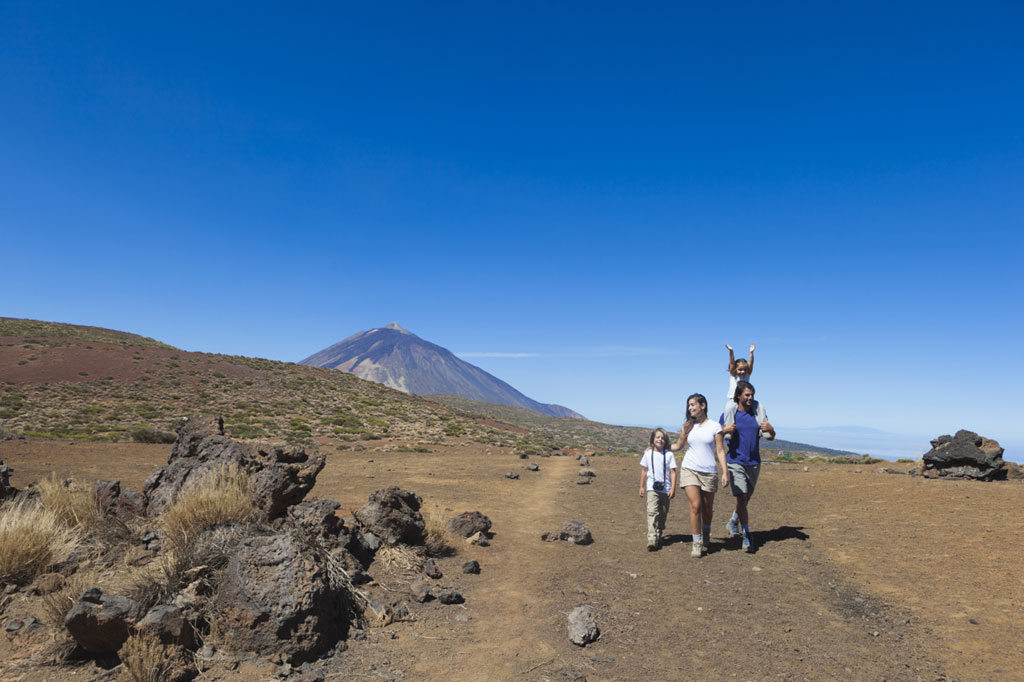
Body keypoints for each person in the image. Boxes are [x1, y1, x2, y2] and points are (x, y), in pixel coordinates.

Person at [671, 394, 729, 558]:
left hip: (709, 472)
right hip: (689, 469)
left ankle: (706, 532)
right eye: (688, 406)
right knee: (695, 505)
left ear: (703, 405)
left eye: (693, 405)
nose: (690, 408)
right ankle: (696, 543)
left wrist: (725, 472)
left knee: (707, 509)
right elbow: (679, 445)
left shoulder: (715, 426)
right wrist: (661, 446)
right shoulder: (687, 427)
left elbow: (719, 450)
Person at [720, 381, 774, 553]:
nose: (750, 398)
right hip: (735, 462)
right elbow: (717, 432)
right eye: (747, 395)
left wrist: (772, 430)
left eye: (752, 395)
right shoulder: (731, 413)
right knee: (742, 498)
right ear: (738, 396)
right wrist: (724, 429)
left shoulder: (757, 413)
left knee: (745, 499)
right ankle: (746, 535)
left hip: (754, 463)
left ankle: (733, 521)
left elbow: (769, 437)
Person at [639, 428, 677, 551]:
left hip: (665, 489)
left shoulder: (669, 455)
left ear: (665, 441)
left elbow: (673, 472)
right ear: (653, 439)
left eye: (662, 438)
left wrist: (673, 487)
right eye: (657, 437)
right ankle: (651, 538)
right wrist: (641, 486)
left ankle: (659, 533)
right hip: (652, 488)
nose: (660, 440)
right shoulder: (648, 453)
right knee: (652, 512)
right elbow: (644, 470)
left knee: (663, 513)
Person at [722, 343, 755, 428]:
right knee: (728, 409)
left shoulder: (747, 375)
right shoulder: (734, 376)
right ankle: (728, 428)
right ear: (735, 370)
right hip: (734, 399)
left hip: (747, 399)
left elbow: (751, 364)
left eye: (744, 370)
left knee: (760, 408)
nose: (742, 372)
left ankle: (763, 429)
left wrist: (751, 353)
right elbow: (732, 362)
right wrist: (731, 351)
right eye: (740, 369)